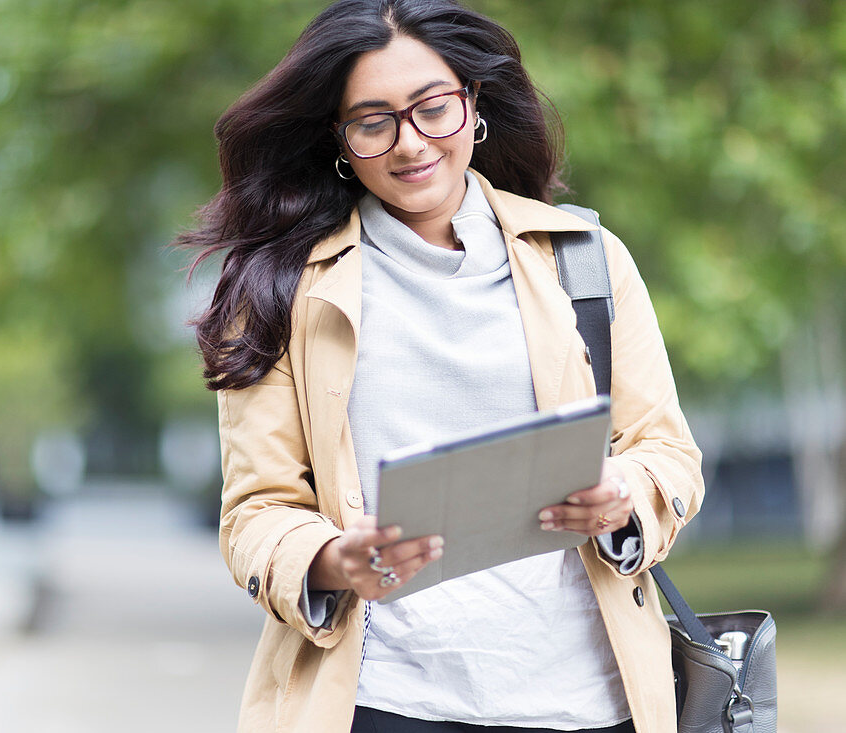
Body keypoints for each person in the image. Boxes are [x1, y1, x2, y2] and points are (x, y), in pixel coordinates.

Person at [179, 1, 703, 731]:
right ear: (339, 140)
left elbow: (668, 453)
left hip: (584, 696)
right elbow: (256, 513)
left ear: (474, 103)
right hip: (385, 697)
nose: (410, 143)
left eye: (432, 108)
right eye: (373, 121)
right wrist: (335, 558)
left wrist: (622, 494)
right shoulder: (281, 291)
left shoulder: (585, 260)